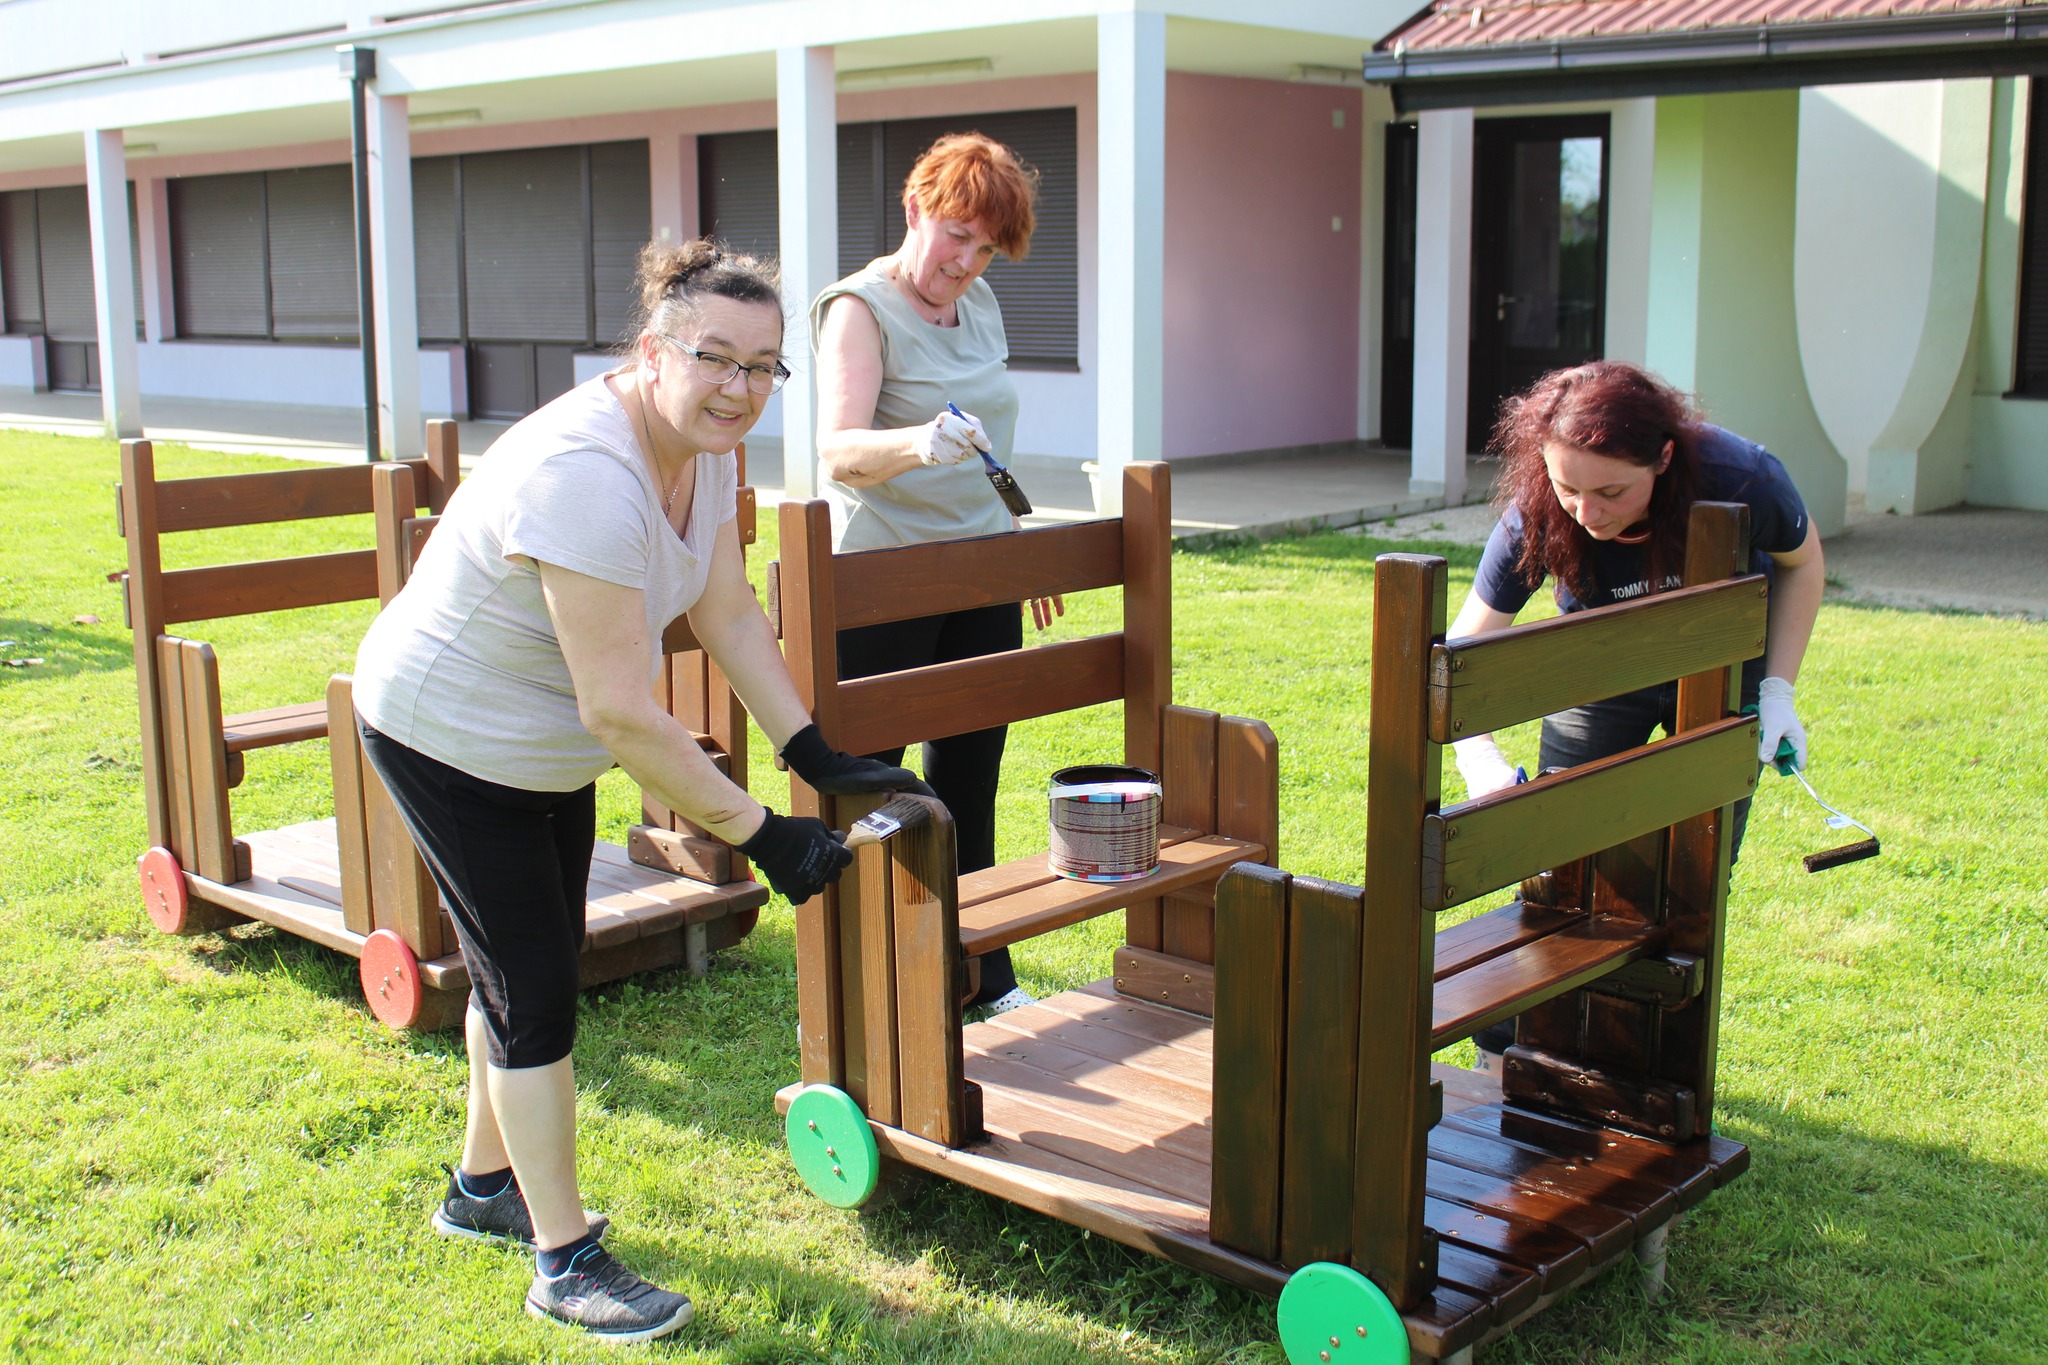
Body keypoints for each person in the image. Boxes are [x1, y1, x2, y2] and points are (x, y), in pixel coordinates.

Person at [351, 239, 926, 1343]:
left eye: (764, 367)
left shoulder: (705, 450)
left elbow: (721, 609)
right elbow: (618, 709)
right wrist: (764, 835)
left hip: (540, 741)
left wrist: (808, 751)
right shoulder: (585, 474)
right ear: (652, 350)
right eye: (717, 359)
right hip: (450, 734)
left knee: (528, 963)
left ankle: (480, 1191)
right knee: (535, 996)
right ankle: (562, 1260)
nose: (741, 389)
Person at [1446, 360, 1825, 1066]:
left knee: (1698, 868)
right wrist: (1480, 760)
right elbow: (1467, 649)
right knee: (1566, 856)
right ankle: (1526, 1042)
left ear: (1665, 458)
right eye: (1569, 490)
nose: (1587, 514)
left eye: (1611, 491)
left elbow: (1802, 563)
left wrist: (1777, 691)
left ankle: (1650, 1054)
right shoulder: (1537, 508)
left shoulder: (1743, 475)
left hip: (1720, 659)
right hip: (1600, 661)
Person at [811, 131, 1060, 1017]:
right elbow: (836, 450)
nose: (966, 261)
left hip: (975, 571)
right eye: (957, 233)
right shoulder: (860, 309)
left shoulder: (982, 303)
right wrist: (917, 444)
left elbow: (992, 436)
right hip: (882, 580)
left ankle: (980, 975)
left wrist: (1015, 538)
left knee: (972, 776)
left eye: (987, 246)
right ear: (914, 209)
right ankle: (858, 976)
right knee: (871, 785)